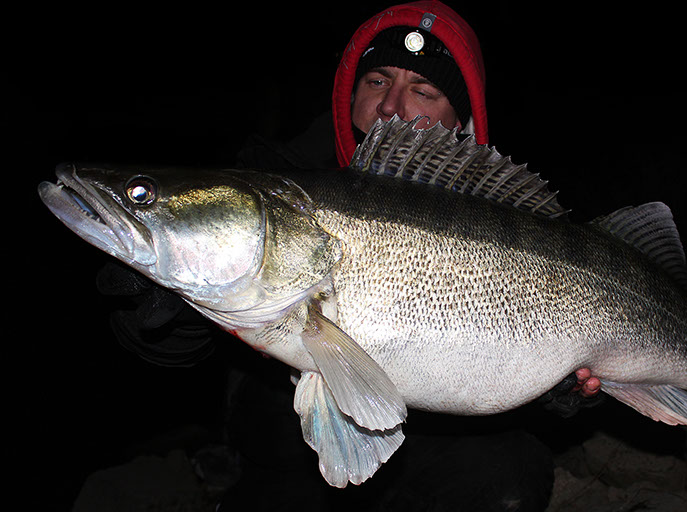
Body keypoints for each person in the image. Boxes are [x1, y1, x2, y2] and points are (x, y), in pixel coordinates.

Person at [99, 2, 601, 509]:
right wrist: (167, 319)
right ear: (350, 90)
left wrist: (559, 392)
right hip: (280, 447)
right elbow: (175, 357)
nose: (391, 106)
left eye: (423, 91)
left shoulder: (497, 215)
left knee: (508, 477)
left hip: (439, 441)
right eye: (378, 80)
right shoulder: (274, 174)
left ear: (461, 120)